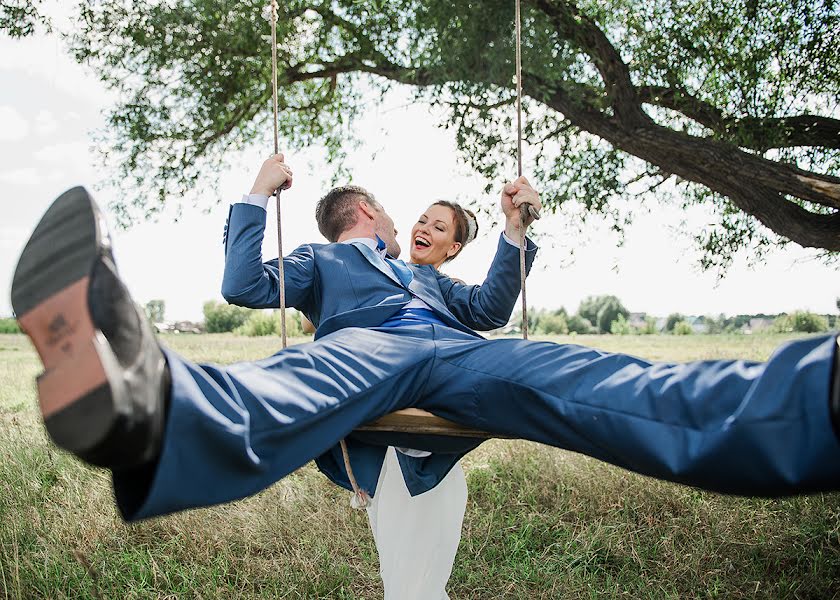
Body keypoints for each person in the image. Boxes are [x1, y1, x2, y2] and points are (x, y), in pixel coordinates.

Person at [10, 154, 840, 532]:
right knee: (307, 369)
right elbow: (243, 286)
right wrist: (256, 195)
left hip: (461, 355)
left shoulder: (435, 279)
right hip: (372, 351)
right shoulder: (324, 260)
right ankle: (142, 402)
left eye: (433, 226)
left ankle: (813, 401)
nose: (408, 223)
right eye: (397, 213)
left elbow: (487, 307)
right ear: (364, 215)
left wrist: (514, 231)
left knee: (593, 376)